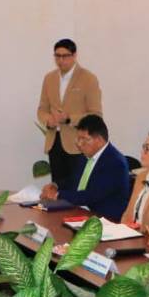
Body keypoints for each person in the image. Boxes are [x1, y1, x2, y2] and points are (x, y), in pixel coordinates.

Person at [36, 38, 103, 186]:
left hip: (79, 144)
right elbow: (42, 109)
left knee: (77, 188)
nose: (61, 60)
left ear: (74, 55)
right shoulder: (49, 78)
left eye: (65, 56)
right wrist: (48, 120)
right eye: (57, 56)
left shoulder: (88, 78)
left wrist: (69, 119)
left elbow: (96, 115)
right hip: (54, 142)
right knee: (57, 189)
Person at [39, 114, 131, 221]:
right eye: (78, 139)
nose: (79, 144)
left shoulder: (115, 163)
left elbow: (91, 195)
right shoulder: (85, 156)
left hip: (102, 219)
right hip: (79, 211)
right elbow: (73, 180)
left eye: (84, 139)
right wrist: (55, 185)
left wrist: (57, 195)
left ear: (99, 140)